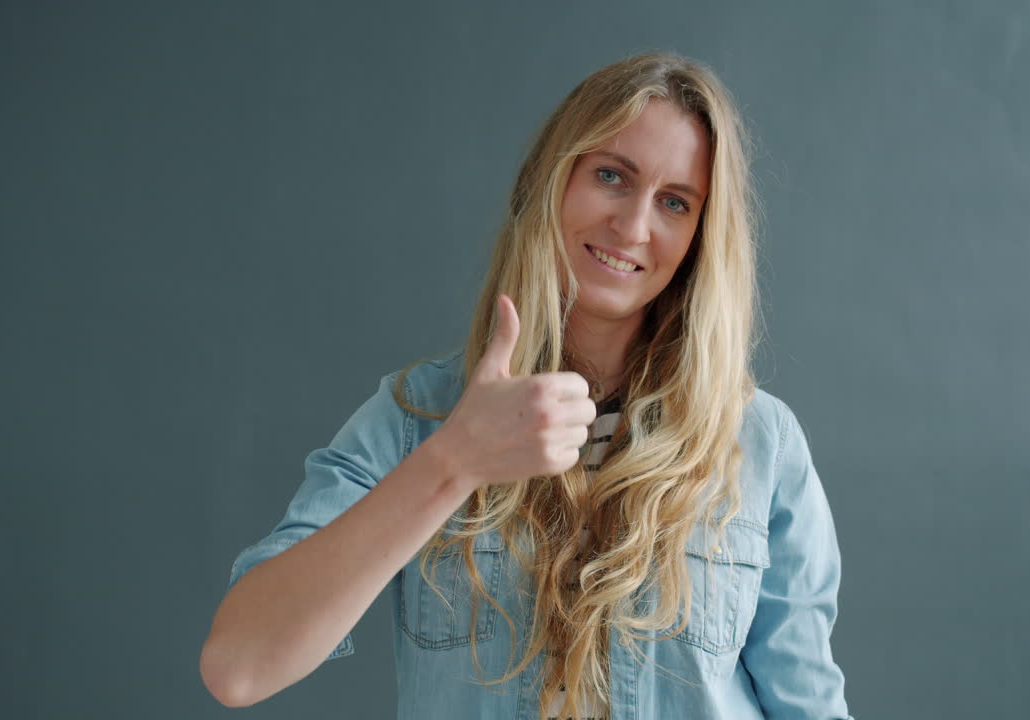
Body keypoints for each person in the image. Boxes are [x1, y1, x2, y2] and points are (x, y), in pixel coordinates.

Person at [200, 51, 853, 720]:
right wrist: (452, 464)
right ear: (551, 179)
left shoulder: (760, 442)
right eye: (610, 176)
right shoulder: (418, 418)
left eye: (675, 203)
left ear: (700, 239)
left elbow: (809, 703)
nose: (632, 227)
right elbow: (239, 667)